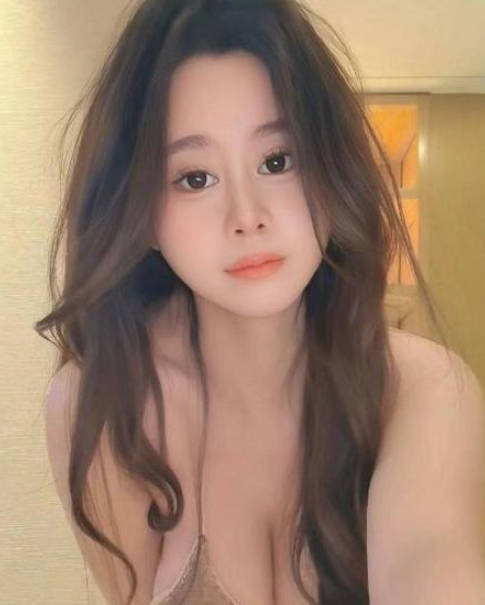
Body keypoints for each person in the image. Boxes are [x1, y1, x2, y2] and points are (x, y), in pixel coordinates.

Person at [36, 1, 485, 605]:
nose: (247, 217)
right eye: (195, 178)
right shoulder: (102, 405)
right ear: (140, 212)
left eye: (278, 161)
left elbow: (428, 564)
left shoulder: (420, 389)